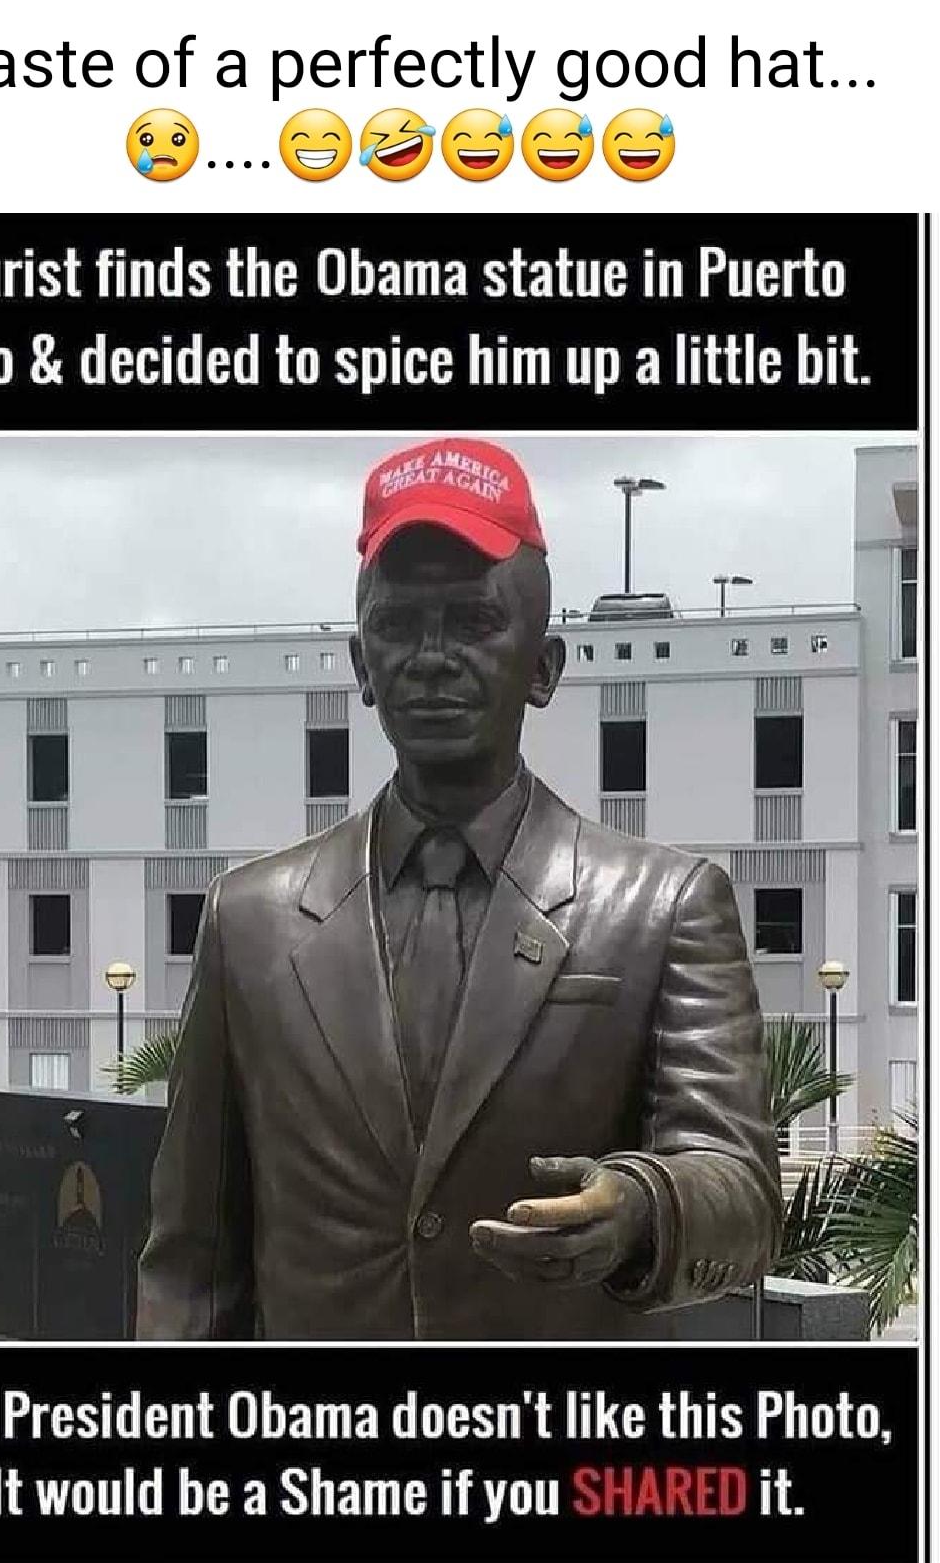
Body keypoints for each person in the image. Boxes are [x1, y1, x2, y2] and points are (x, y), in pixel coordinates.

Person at [136, 437, 781, 1340]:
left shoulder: (663, 908)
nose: (431, 658)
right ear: (361, 666)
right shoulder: (250, 919)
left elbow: (740, 1186)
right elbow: (193, 1256)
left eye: (474, 622)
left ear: (545, 666)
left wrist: (645, 1206)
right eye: (399, 626)